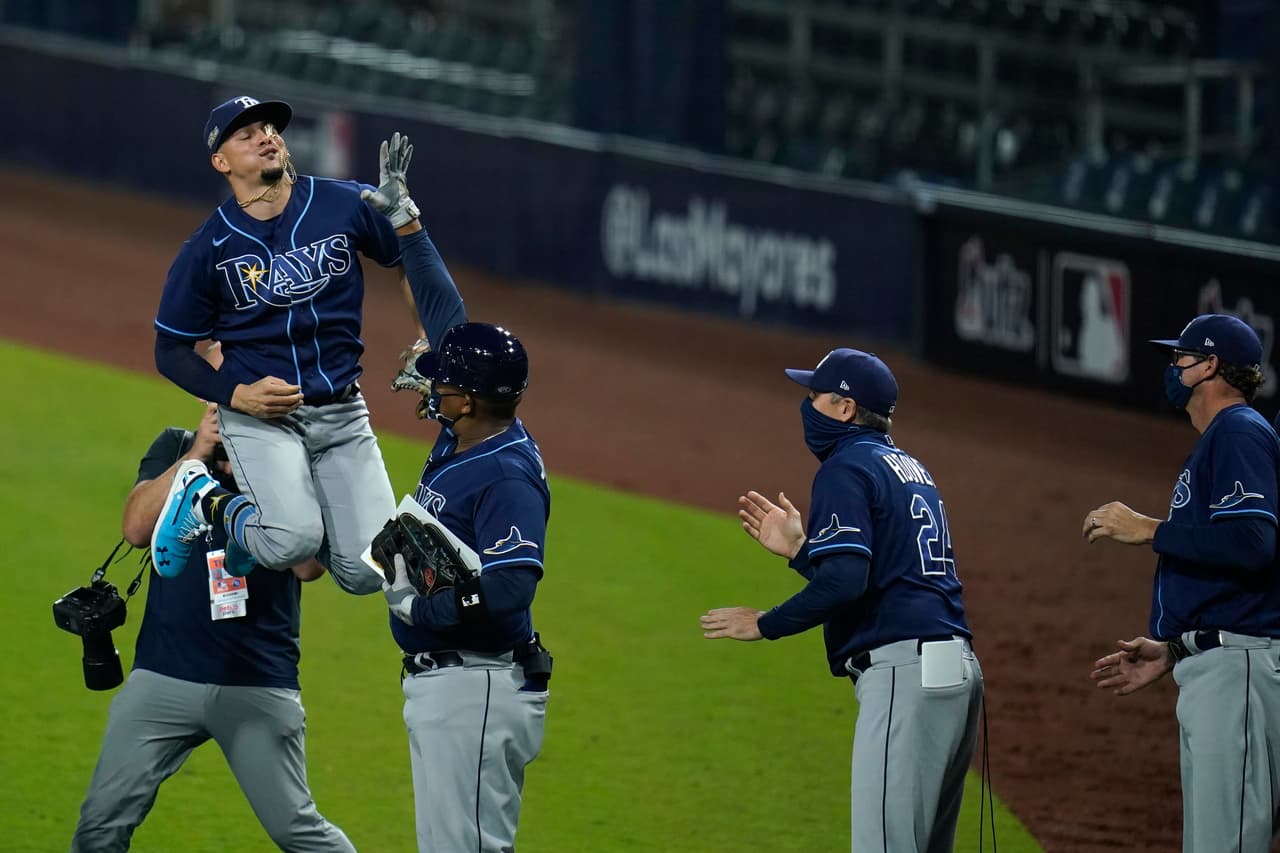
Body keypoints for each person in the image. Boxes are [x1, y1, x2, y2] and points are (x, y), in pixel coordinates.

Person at [150, 95, 464, 595]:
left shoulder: (344, 203)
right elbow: (169, 350)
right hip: (261, 417)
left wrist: (428, 334)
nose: (265, 137)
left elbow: (410, 262)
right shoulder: (208, 248)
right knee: (290, 542)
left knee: (370, 572)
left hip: (342, 413)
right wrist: (235, 396)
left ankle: (272, 528)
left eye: (268, 128)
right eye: (246, 134)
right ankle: (203, 498)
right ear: (221, 162)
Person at [701, 348, 983, 853]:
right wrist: (802, 552)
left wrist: (766, 623)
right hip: (954, 672)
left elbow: (845, 584)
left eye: (815, 396)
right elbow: (880, 577)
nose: (806, 406)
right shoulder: (910, 468)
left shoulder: (845, 467)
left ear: (846, 408)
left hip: (904, 673)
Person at [71, 359, 354, 852]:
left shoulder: (291, 463)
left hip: (258, 682)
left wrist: (260, 474)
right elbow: (136, 529)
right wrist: (198, 455)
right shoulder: (175, 446)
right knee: (100, 825)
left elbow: (309, 567)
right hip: (162, 677)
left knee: (298, 832)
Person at [1087, 313, 1280, 853]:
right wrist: (1176, 649)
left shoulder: (1239, 431)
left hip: (1240, 673)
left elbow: (1253, 543)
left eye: (1181, 357)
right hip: (1220, 666)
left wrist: (1149, 529)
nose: (1173, 368)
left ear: (1210, 365)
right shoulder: (1226, 436)